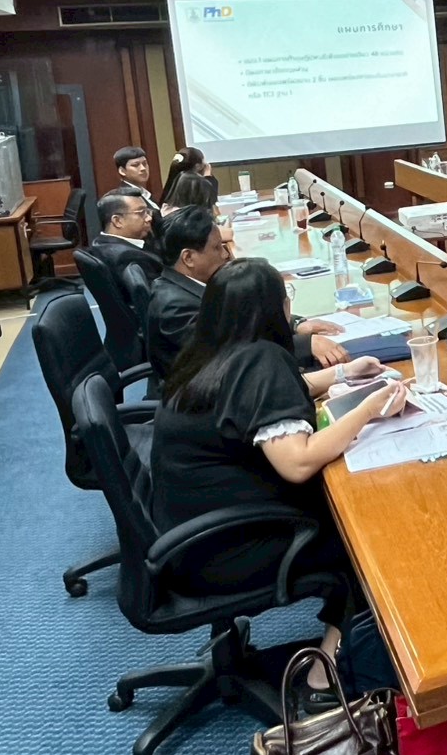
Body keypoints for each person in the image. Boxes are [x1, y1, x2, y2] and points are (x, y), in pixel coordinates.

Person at [151, 257, 406, 694]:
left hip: (187, 536)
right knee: (366, 536)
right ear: (276, 310)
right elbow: (298, 462)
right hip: (230, 547)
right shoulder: (260, 360)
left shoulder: (209, 353)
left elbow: (273, 393)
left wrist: (345, 373)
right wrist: (369, 409)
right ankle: (326, 672)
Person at [148, 207, 348, 383]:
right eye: (216, 248)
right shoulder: (174, 306)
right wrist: (306, 344)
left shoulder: (192, 286)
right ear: (188, 258)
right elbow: (230, 353)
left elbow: (243, 320)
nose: (225, 255)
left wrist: (295, 324)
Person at [89, 188, 163, 283]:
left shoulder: (98, 243)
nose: (149, 218)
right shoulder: (130, 258)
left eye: (147, 212)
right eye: (141, 213)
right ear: (117, 221)